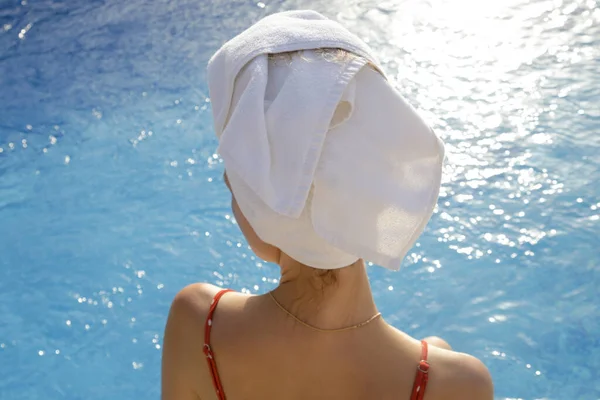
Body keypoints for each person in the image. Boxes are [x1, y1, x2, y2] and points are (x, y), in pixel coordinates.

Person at [162, 10, 493, 400]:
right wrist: (433, 361)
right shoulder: (457, 384)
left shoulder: (201, 325)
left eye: (235, 182)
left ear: (263, 204)